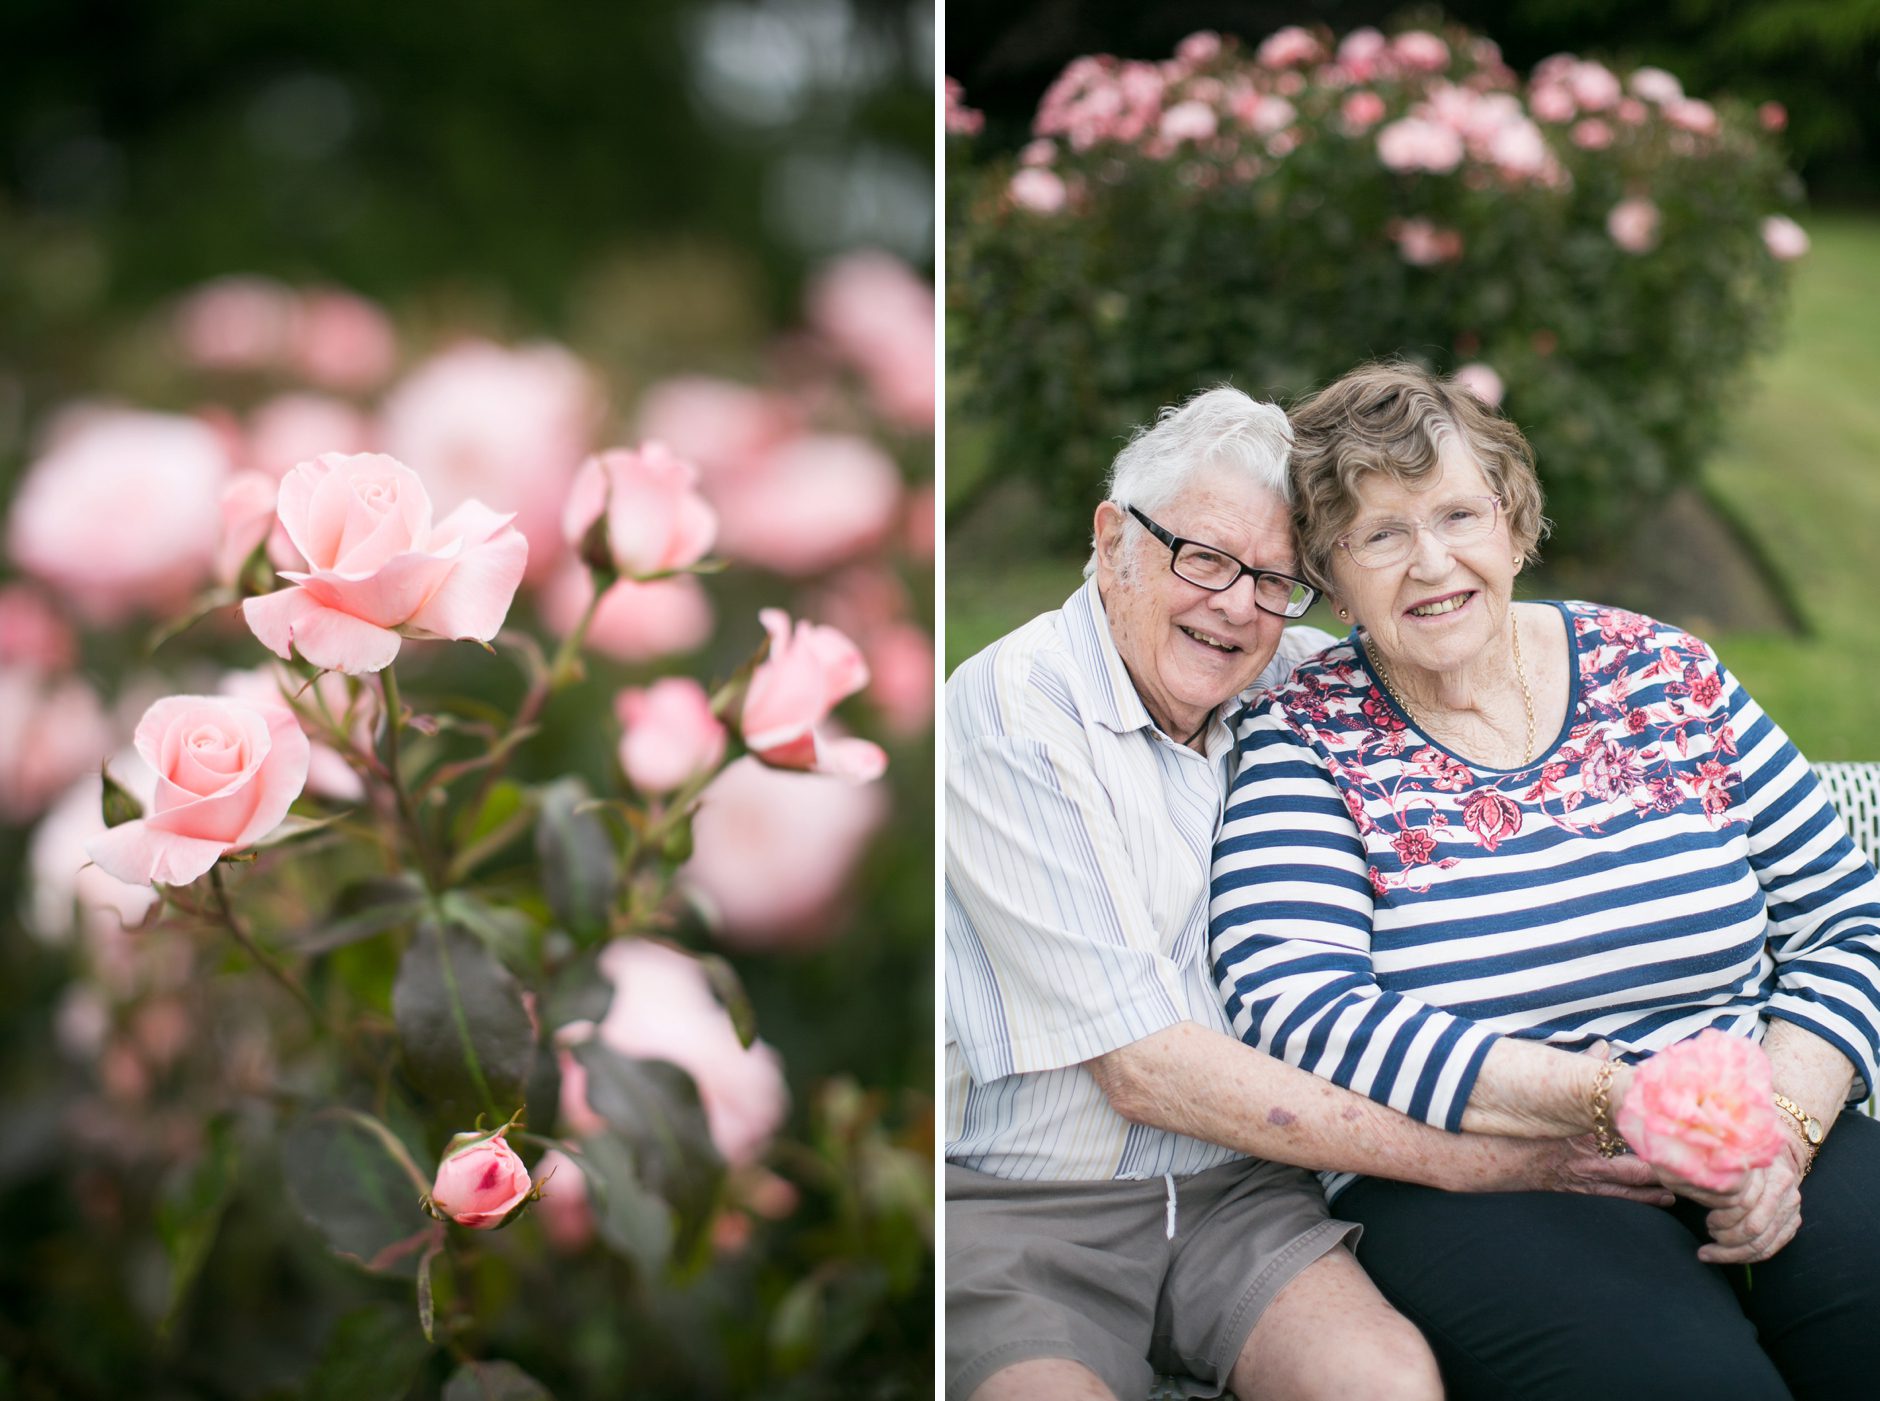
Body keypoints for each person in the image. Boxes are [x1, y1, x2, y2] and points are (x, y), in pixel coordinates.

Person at [946, 386, 1661, 1401]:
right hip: (1022, 1207)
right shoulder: (1012, 716)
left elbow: (1468, 721)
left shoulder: (1301, 686)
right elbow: (1144, 1071)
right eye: (1201, 557)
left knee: (1382, 1382)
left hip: (1240, 1196)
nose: (1236, 605)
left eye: (1274, 578)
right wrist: (1487, 1158)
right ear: (1113, 543)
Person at [1209, 361, 1880, 1400]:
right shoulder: (1307, 737)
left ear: (1513, 524)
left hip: (1755, 1113)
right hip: (1483, 1172)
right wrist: (1602, 1099)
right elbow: (1290, 997)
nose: (1430, 562)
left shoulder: (1662, 673)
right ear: (1330, 581)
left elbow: (1845, 919)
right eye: (1378, 535)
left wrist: (1781, 1129)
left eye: (1457, 514)